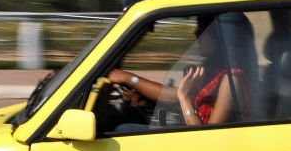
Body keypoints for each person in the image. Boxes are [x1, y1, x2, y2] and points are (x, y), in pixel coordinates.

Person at [108, 13, 254, 128]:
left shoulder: (232, 80)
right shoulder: (213, 70)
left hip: (199, 149)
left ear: (219, 37)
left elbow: (208, 139)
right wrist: (139, 91)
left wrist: (185, 97)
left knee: (122, 129)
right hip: (191, 141)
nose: (196, 34)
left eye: (203, 29)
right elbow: (173, 97)